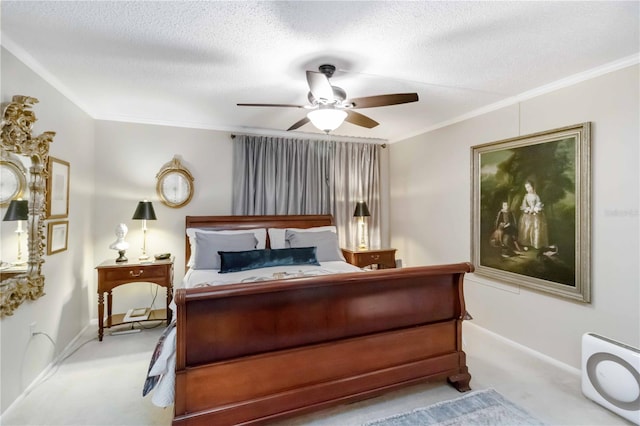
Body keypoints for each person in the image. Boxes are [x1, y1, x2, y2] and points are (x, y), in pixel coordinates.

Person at [518, 181, 549, 250]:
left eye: (529, 187)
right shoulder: (526, 196)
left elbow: (539, 204)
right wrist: (527, 209)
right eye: (526, 188)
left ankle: (535, 243)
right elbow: (524, 205)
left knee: (536, 227)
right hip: (528, 215)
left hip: (535, 215)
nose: (527, 189)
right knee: (527, 228)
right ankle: (527, 243)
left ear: (532, 187)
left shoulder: (536, 196)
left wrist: (535, 209)